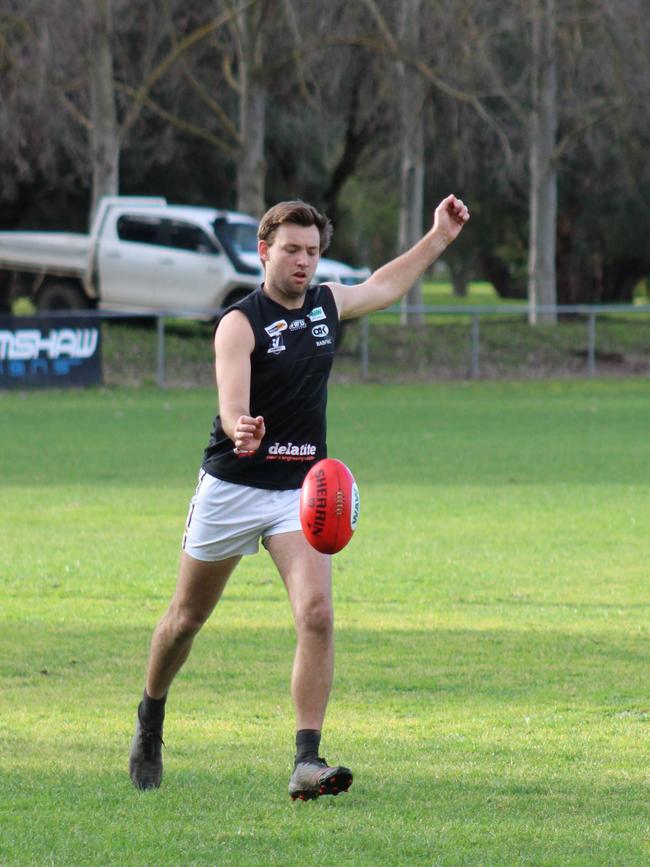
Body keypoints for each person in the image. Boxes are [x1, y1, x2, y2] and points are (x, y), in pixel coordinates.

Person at [129, 193, 470, 800]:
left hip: (301, 493)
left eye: (313, 252)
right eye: (291, 250)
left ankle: (306, 760)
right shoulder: (239, 322)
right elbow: (231, 400)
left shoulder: (326, 305)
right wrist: (242, 427)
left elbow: (384, 287)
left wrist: (439, 236)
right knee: (185, 621)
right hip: (233, 486)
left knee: (317, 615)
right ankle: (150, 720)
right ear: (264, 251)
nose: (303, 262)